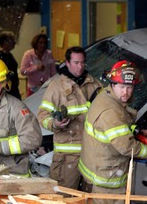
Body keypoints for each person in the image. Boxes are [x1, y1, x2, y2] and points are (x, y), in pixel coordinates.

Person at [78, 60, 147, 204]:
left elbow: (117, 129)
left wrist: (135, 130)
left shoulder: (105, 95)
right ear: (113, 84)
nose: (126, 92)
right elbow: (126, 146)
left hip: (99, 171)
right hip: (108, 182)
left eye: (129, 87)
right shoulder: (111, 112)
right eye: (122, 87)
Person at [37, 46, 102, 189]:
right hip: (67, 156)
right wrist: (55, 124)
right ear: (67, 63)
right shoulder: (56, 87)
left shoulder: (94, 85)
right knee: (64, 196)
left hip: (91, 153)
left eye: (83, 62)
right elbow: (42, 115)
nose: (80, 66)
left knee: (90, 197)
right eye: (76, 63)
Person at [0, 31, 21, 100]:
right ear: (5, 42)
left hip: (13, 89)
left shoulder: (9, 55)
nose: (14, 43)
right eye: (12, 40)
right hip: (5, 91)